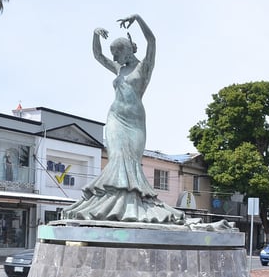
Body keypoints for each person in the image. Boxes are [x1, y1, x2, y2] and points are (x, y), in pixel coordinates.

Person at [63, 14, 184, 224]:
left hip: (135, 121)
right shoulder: (119, 69)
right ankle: (112, 202)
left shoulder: (144, 67)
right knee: (116, 157)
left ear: (127, 50)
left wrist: (137, 19)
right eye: (113, 54)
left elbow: (152, 41)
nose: (115, 58)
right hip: (115, 118)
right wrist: (95, 35)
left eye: (117, 53)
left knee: (132, 160)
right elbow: (98, 56)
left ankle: (131, 204)